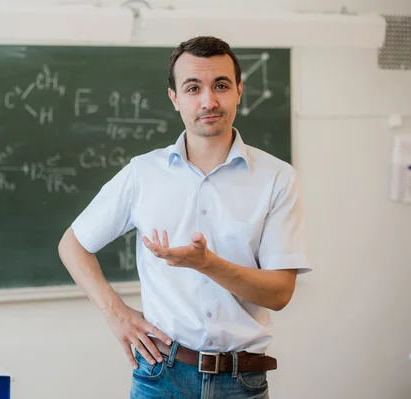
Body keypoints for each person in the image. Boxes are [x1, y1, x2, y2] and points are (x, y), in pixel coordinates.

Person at [58, 36, 311, 399]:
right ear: (175, 98)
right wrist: (115, 313)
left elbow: (280, 293)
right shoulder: (143, 173)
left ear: (239, 90)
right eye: (193, 88)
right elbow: (73, 244)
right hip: (162, 377)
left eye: (221, 85)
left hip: (242, 383)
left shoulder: (277, 178)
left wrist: (207, 264)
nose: (208, 101)